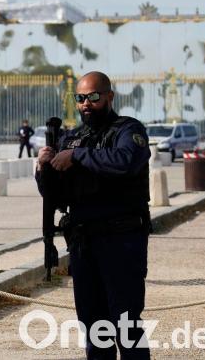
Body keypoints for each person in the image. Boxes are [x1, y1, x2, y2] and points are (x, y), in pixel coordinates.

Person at [36, 71, 151, 359]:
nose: (86, 104)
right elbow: (56, 195)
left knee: (126, 326)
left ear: (109, 96)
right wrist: (44, 169)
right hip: (84, 242)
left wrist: (77, 156)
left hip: (121, 241)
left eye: (94, 97)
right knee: (95, 328)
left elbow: (127, 162)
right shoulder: (74, 137)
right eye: (81, 98)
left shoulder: (127, 130)